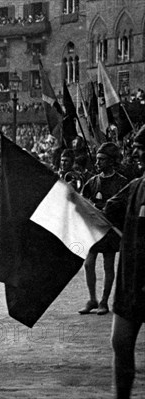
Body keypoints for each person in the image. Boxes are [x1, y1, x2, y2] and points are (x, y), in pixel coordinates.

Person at [104, 127, 145, 399]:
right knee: (120, 342)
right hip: (131, 281)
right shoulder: (136, 187)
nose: (138, 153)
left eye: (144, 149)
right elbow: (106, 212)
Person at [78, 143, 127, 315]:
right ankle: (92, 299)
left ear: (112, 161)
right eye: (97, 159)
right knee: (88, 264)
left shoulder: (121, 182)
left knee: (108, 266)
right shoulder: (92, 181)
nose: (98, 163)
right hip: (94, 230)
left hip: (111, 230)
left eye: (102, 159)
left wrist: (108, 210)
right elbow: (82, 202)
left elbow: (124, 206)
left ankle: (104, 301)